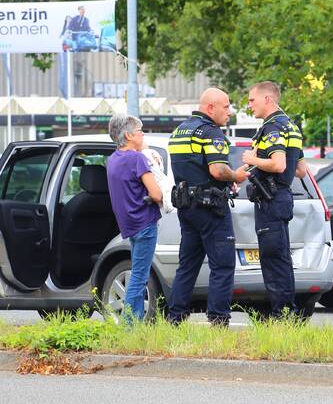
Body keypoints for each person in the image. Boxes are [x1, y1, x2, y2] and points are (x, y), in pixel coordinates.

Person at [166, 87, 248, 326]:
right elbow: (218, 170)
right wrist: (236, 176)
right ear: (210, 108)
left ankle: (176, 317)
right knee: (222, 265)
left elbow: (192, 169)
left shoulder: (180, 131)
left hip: (187, 207)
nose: (229, 112)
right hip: (210, 208)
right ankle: (219, 319)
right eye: (226, 106)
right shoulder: (211, 133)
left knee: (188, 265)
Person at [240, 81, 304, 319]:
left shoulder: (273, 127)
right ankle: (288, 313)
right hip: (281, 196)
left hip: (271, 198)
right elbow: (301, 170)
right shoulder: (291, 126)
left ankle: (282, 315)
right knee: (281, 257)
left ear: (268, 99)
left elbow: (279, 164)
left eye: (251, 100)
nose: (249, 106)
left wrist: (252, 158)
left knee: (272, 259)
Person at [105, 114, 162, 322]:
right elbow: (156, 194)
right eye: (140, 131)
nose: (143, 134)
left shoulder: (112, 160)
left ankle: (136, 321)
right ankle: (128, 323)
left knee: (138, 272)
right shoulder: (138, 158)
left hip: (129, 225)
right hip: (145, 222)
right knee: (139, 275)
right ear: (129, 135)